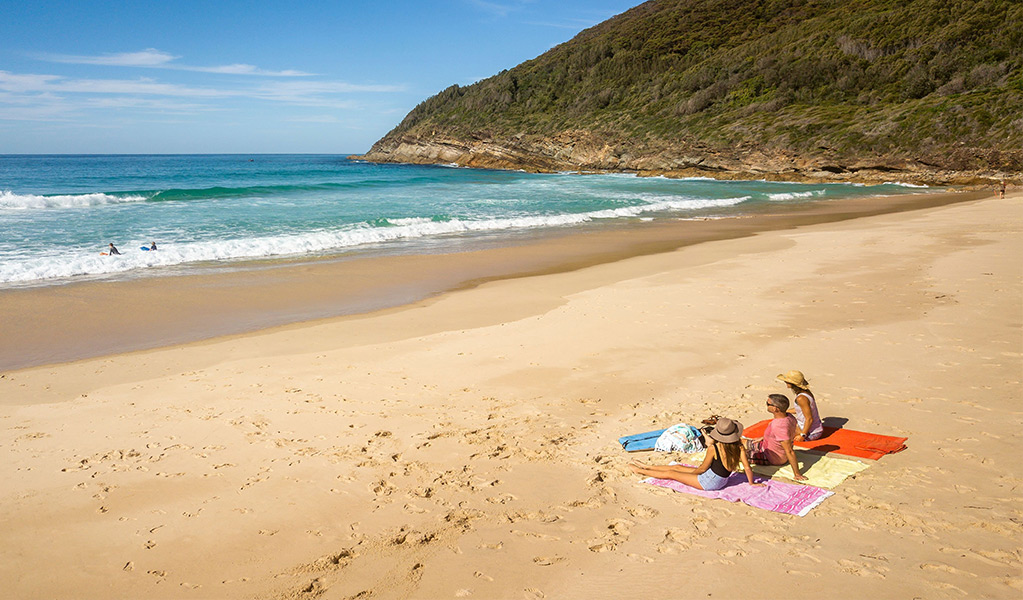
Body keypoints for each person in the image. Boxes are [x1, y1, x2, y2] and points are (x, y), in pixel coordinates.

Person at [628, 418, 760, 490]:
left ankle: (640, 471)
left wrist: (688, 474)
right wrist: (751, 483)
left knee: (672, 473)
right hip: (720, 480)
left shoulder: (714, 448)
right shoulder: (739, 447)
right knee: (677, 467)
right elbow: (747, 468)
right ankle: (647, 466)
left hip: (709, 482)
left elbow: (702, 468)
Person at [744, 394, 807, 481]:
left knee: (738, 454)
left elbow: (789, 451)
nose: (766, 405)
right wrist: (764, 437)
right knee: (740, 442)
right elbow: (789, 432)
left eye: (768, 404)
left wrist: (797, 474)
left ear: (775, 409)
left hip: (773, 457)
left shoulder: (779, 426)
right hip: (766, 445)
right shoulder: (789, 416)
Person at [777, 370, 823, 441]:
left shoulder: (801, 398)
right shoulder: (806, 393)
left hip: (811, 433)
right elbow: (801, 409)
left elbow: (809, 419)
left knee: (778, 434)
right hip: (813, 429)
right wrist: (784, 411)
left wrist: (803, 435)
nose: (785, 382)